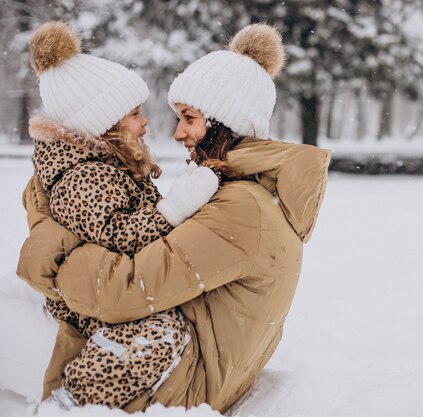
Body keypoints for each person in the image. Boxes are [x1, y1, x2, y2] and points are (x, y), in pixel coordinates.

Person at [17, 23, 330, 413]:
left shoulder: (242, 210)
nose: (177, 132)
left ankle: (62, 409)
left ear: (224, 122)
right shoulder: (242, 192)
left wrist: (56, 253)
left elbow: (127, 291)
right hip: (177, 363)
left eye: (189, 118)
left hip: (178, 384)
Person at [25, 22, 219, 409]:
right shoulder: (82, 175)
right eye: (134, 114)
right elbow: (118, 234)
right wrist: (175, 208)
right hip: (88, 295)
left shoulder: (107, 165)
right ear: (104, 125)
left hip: (113, 282)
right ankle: (71, 401)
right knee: (157, 333)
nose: (144, 122)